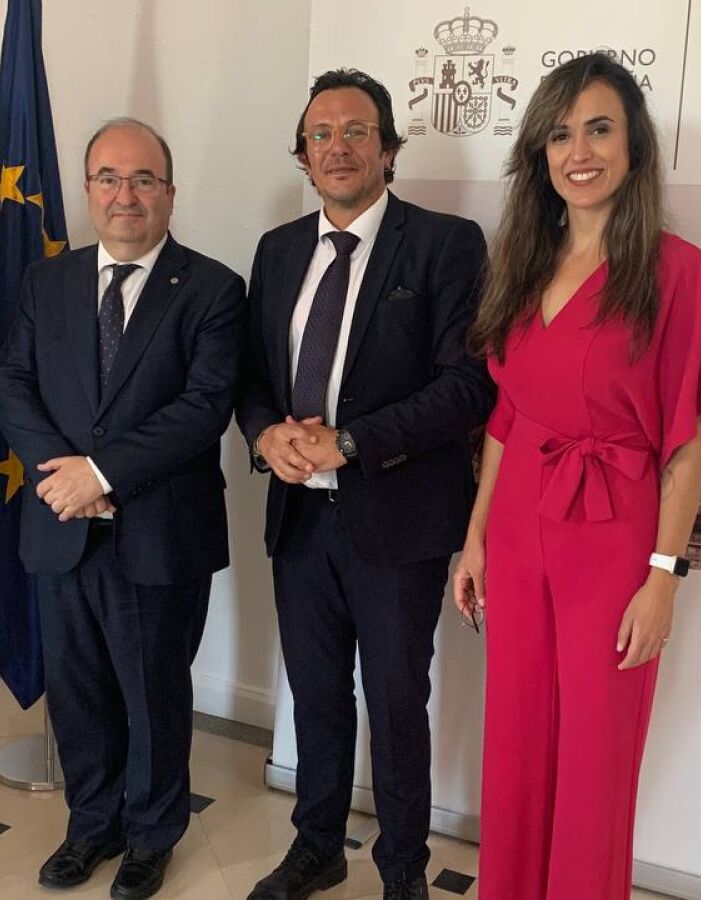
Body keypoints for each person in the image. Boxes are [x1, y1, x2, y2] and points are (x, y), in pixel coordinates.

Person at [453, 53, 701, 899]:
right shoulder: (523, 262)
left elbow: (684, 447)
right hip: (518, 529)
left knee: (594, 764)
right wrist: (476, 540)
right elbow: (506, 420)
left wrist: (664, 578)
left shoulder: (677, 272)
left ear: (635, 146)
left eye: (599, 129)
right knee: (515, 746)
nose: (579, 152)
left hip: (614, 540)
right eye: (560, 135)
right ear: (539, 154)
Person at [236, 69, 492, 900]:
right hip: (299, 520)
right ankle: (316, 847)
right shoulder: (278, 251)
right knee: (314, 695)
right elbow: (251, 379)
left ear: (387, 149)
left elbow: (467, 388)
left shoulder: (446, 244)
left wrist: (349, 443)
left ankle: (402, 870)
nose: (337, 147)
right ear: (302, 154)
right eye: (321, 134)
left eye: (356, 131)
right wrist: (264, 432)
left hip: (398, 520)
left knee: (394, 702)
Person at [0, 118, 245, 900]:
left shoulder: (213, 289)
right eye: (108, 177)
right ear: (88, 189)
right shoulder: (48, 282)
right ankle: (90, 825)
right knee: (77, 692)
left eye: (142, 179)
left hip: (159, 534)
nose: (124, 194)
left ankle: (151, 835)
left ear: (169, 192)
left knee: (153, 692)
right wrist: (62, 475)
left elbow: (204, 408)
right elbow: (10, 384)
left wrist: (99, 471)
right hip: (62, 525)